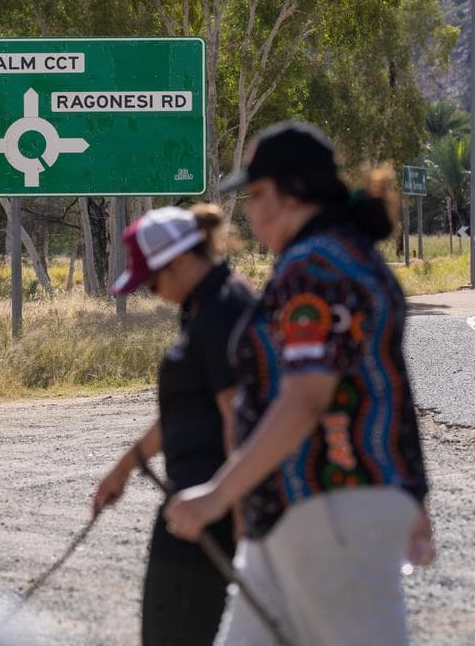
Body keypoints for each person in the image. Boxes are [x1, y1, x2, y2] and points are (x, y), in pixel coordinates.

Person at [164, 121, 434, 646]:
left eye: (257, 193)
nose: (249, 209)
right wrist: (408, 495)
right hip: (301, 508)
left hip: (332, 506)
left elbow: (307, 398)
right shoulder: (338, 256)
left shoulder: (315, 268)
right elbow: (385, 386)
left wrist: (217, 497)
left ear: (295, 192)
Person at [90, 204, 252, 646]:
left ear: (181, 259)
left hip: (206, 508)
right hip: (196, 503)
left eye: (155, 280)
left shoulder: (223, 310)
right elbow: (186, 410)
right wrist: (124, 467)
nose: (155, 292)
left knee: (173, 635)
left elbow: (239, 418)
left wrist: (237, 517)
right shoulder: (202, 306)